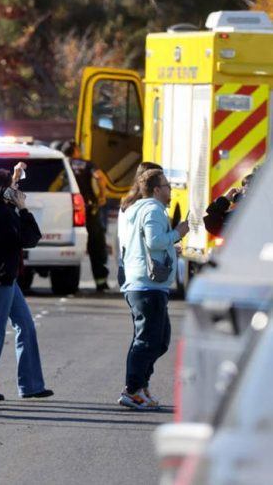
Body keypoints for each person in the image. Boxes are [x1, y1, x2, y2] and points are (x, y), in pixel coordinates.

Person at [0, 163, 53, 401]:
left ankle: (31, 385)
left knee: (25, 326)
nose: (18, 190)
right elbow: (31, 238)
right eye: (14, 187)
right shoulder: (4, 215)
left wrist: (15, 177)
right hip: (0, 277)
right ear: (5, 193)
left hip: (5, 276)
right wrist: (24, 208)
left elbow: (6, 188)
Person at [117, 169, 189, 410]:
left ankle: (141, 386)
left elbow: (143, 243)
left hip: (143, 284)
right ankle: (132, 390)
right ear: (157, 189)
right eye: (167, 186)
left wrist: (170, 249)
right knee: (148, 341)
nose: (170, 190)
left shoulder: (136, 208)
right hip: (147, 285)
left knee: (159, 340)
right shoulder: (153, 209)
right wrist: (177, 233)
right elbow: (154, 240)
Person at [62, 141, 110, 291]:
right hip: (89, 211)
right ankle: (101, 283)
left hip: (68, 212)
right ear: (76, 150)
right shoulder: (87, 164)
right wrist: (102, 195)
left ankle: (67, 282)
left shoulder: (63, 164)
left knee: (68, 245)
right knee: (96, 247)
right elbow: (99, 177)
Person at [117, 162, 163, 287]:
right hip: (144, 269)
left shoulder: (126, 202)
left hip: (125, 266)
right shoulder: (148, 208)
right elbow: (151, 241)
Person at [203, 166, 258, 237]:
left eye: (247, 186)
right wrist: (226, 199)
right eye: (243, 186)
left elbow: (212, 225)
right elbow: (212, 224)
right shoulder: (241, 212)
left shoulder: (252, 210)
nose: (242, 189)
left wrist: (226, 198)